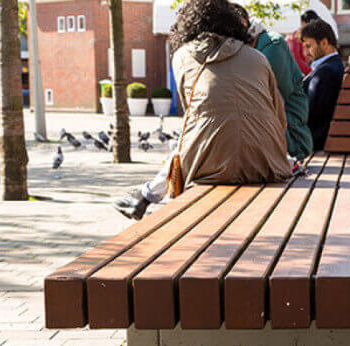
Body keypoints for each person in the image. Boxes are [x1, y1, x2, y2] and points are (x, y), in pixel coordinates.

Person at [113, 0, 292, 220]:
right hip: (268, 166)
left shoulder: (182, 57)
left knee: (197, 135)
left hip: (208, 168)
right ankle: (147, 193)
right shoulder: (258, 58)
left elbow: (192, 116)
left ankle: (147, 194)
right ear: (232, 23)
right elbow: (279, 117)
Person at [235, 5, 313, 161]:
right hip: (273, 139)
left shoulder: (272, 46)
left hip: (292, 142)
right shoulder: (250, 48)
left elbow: (272, 100)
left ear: (243, 25)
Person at [301, 19, 344, 151]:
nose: (306, 53)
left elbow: (311, 112)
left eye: (309, 46)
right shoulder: (334, 66)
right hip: (319, 137)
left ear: (324, 43)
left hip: (314, 140)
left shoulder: (325, 73)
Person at [285, 10, 320, 76]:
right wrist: (311, 72)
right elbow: (297, 60)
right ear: (303, 23)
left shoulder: (305, 38)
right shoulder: (294, 38)